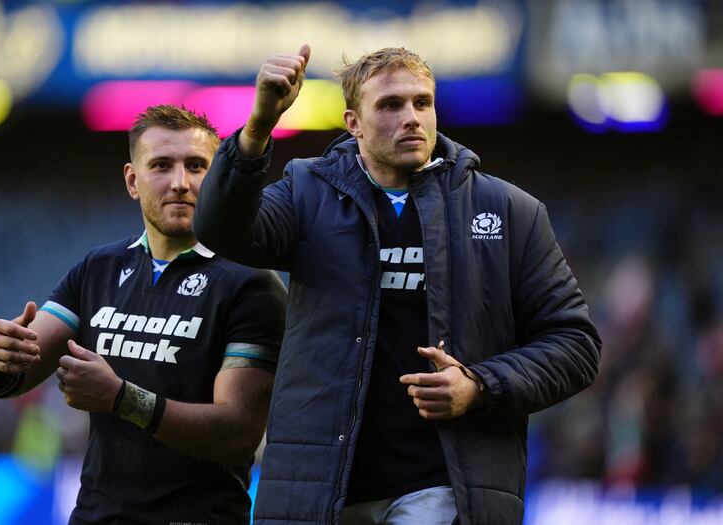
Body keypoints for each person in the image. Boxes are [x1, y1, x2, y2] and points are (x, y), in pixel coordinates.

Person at [193, 46, 601, 525]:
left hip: (442, 487)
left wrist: (479, 385)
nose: (411, 117)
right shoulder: (308, 192)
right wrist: (259, 124)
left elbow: (575, 345)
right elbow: (220, 230)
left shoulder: (510, 211)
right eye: (389, 105)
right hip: (320, 491)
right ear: (354, 123)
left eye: (422, 103)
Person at [0, 105, 287, 524]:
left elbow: (238, 433)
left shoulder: (251, 283)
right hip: (97, 516)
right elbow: (10, 377)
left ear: (218, 179)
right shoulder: (98, 268)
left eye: (196, 166)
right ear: (133, 181)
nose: (180, 183)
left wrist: (122, 398)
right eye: (161, 166)